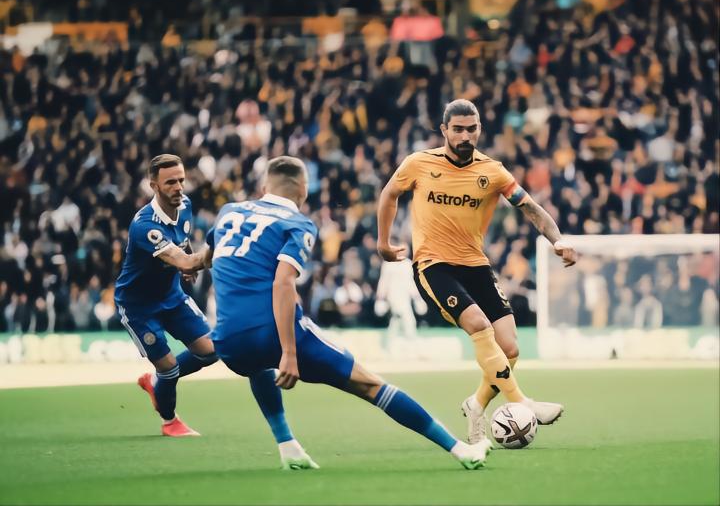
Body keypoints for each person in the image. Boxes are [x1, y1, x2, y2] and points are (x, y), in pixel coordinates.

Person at [205, 156, 492, 470]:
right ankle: (460, 450)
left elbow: (202, 259)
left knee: (257, 367)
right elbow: (283, 282)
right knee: (370, 385)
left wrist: (177, 259)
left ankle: (288, 446)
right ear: (303, 188)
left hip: (228, 341)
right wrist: (289, 351)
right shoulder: (298, 224)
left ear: (264, 185)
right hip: (274, 332)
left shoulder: (230, 212)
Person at [377, 99, 578, 445]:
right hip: (434, 265)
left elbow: (531, 208)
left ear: (479, 130)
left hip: (476, 265)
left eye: (471, 129)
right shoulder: (419, 163)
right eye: (458, 129)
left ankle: (477, 404)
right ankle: (522, 402)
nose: (465, 136)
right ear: (444, 130)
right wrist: (383, 242)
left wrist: (557, 240)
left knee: (510, 349)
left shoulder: (493, 172)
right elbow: (389, 194)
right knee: (480, 326)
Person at [114, 154, 218, 437]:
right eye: (170, 182)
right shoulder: (144, 226)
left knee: (212, 351)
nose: (178, 187)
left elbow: (183, 245)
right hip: (138, 307)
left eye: (181, 180)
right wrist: (217, 248)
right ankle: (170, 421)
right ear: (154, 186)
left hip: (171, 296)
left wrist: (187, 263)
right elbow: (185, 260)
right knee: (169, 367)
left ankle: (156, 382)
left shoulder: (185, 206)